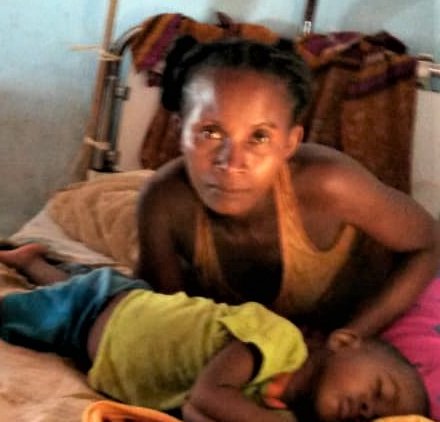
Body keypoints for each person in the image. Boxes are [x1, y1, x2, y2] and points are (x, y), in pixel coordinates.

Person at [0, 245, 428, 422]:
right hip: (106, 310)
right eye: (379, 390)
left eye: (376, 417)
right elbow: (207, 396)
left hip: (93, 345)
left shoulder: (276, 413)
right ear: (345, 342)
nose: (368, 409)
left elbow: (198, 416)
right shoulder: (279, 340)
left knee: (56, 295)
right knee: (1, 312)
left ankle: (33, 261)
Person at [135, 36, 440, 338]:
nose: (231, 162)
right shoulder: (163, 203)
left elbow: (430, 243)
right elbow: (171, 321)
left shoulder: (330, 185)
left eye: (259, 137)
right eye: (210, 132)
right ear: (179, 131)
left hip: (370, 314)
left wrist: (353, 334)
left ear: (290, 143)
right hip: (259, 342)